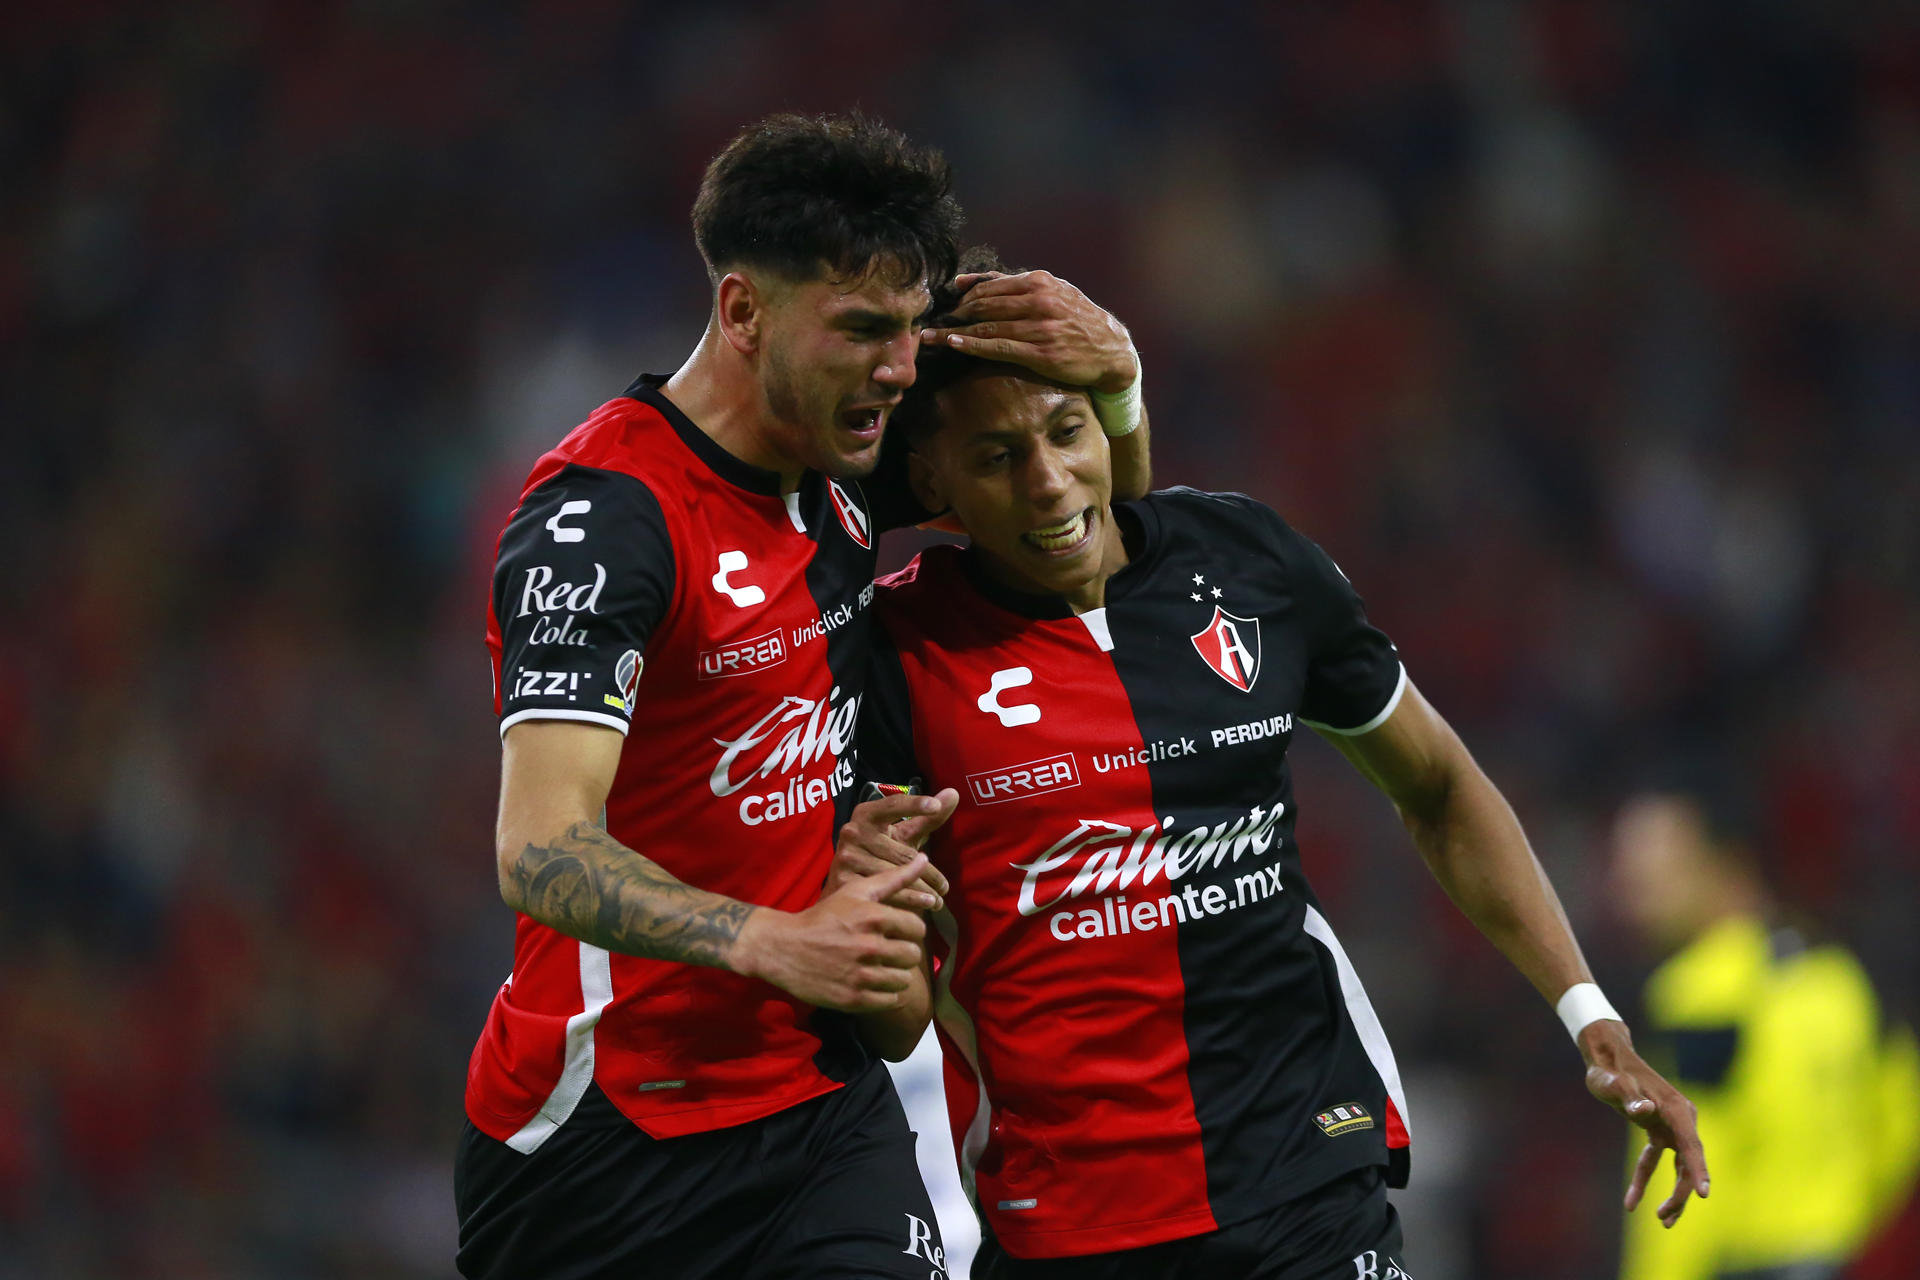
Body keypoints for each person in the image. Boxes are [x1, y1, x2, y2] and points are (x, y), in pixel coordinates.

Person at [838, 315, 1711, 1279]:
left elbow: (1440, 785)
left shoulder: (1247, 562)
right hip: (1070, 1225)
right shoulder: (893, 653)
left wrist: (1589, 1016)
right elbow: (895, 1001)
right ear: (931, 485)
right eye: (998, 456)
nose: (1048, 480)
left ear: (1109, 425)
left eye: (1067, 431)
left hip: (1308, 1186)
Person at [456, 115, 1150, 1279]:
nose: (898, 369)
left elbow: (1088, 535)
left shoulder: (844, 465)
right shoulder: (606, 521)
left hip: (818, 1103)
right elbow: (539, 848)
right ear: (742, 313)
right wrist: (779, 937)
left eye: (912, 332)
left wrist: (1117, 383)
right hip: (608, 1131)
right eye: (865, 331)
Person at [1610, 787, 1920, 1280]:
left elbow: (1682, 1161)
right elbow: (1902, 1126)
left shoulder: (1702, 987)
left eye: (1655, 872)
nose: (1629, 893)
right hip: (1842, 1257)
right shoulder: (1842, 977)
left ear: (1728, 863)